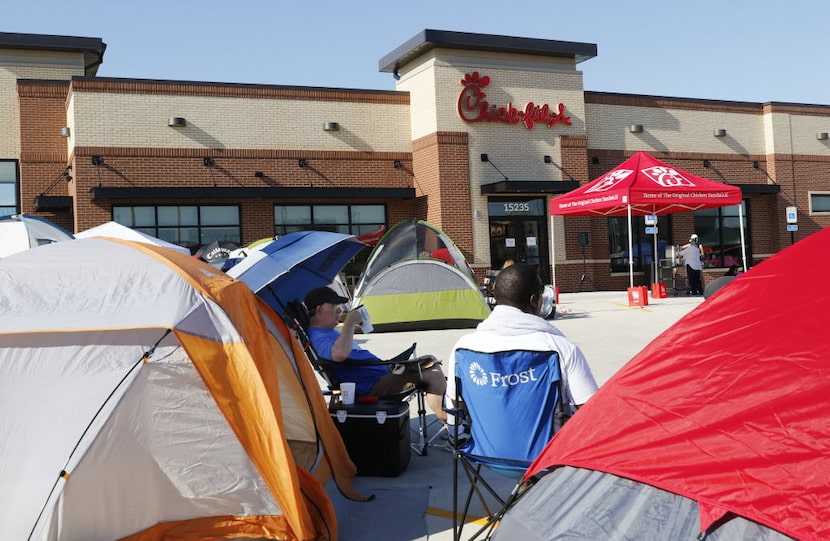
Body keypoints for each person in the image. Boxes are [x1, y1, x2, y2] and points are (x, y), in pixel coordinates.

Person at [446, 263, 599, 436]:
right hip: (547, 457)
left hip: (484, 454)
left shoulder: (464, 347)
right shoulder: (561, 348)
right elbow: (592, 412)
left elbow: (453, 404)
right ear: (534, 300)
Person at [304, 286, 448, 424]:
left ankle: (454, 421)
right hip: (370, 386)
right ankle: (453, 426)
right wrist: (349, 323)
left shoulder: (328, 332)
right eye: (335, 306)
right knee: (432, 373)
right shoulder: (317, 336)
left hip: (379, 374)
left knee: (430, 362)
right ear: (319, 309)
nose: (340, 310)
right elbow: (339, 354)